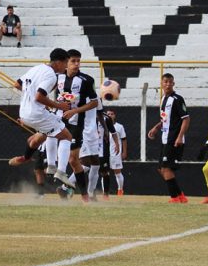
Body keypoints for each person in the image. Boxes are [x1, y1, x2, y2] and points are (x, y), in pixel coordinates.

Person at [7, 48, 74, 186]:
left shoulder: (37, 68)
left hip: (24, 113)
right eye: (66, 62)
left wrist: (32, 98)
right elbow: (39, 97)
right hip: (36, 113)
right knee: (66, 136)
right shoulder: (51, 75)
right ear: (58, 62)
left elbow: (17, 84)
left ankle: (33, 159)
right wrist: (58, 106)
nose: (66, 66)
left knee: (46, 134)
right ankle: (60, 172)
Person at [51, 50, 100, 203]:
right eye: (73, 61)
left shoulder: (86, 80)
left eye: (79, 61)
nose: (76, 64)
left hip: (76, 124)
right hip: (58, 120)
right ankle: (51, 167)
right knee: (42, 138)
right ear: (66, 62)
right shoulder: (57, 77)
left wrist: (74, 111)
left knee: (73, 160)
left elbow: (94, 102)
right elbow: (54, 94)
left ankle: (84, 196)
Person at [147, 73, 190, 203]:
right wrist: (156, 127)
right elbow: (165, 119)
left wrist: (179, 137)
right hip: (165, 138)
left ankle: (175, 198)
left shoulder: (177, 99)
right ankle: (180, 196)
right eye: (165, 81)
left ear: (173, 83)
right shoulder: (163, 99)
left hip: (174, 139)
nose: (168, 84)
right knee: (161, 169)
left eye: (170, 82)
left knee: (166, 169)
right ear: (161, 83)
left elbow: (186, 119)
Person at [105, 108, 128, 196]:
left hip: (115, 152)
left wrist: (124, 152)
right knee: (104, 172)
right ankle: (105, 192)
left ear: (115, 116)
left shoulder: (119, 127)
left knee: (117, 172)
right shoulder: (102, 125)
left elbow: (124, 140)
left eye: (111, 114)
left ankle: (120, 190)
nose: (110, 115)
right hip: (105, 152)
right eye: (108, 114)